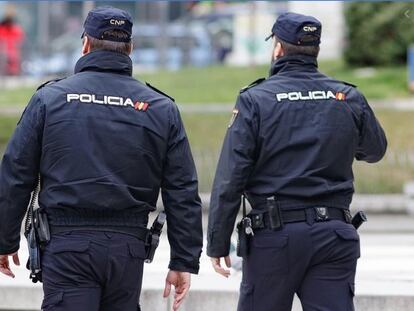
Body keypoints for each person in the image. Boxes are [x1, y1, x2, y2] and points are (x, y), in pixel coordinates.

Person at [0, 6, 202, 311]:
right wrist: (183, 260)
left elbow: (16, 174)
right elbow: (182, 190)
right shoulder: (161, 108)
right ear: (130, 48)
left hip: (67, 246)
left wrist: (4, 240)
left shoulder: (49, 99)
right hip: (128, 249)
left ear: (85, 43)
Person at [207, 12, 387, 311]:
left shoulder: (256, 99)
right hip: (335, 234)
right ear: (315, 49)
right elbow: (375, 150)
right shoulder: (347, 96)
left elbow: (231, 177)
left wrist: (217, 241)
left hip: (275, 239)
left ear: (278, 48)